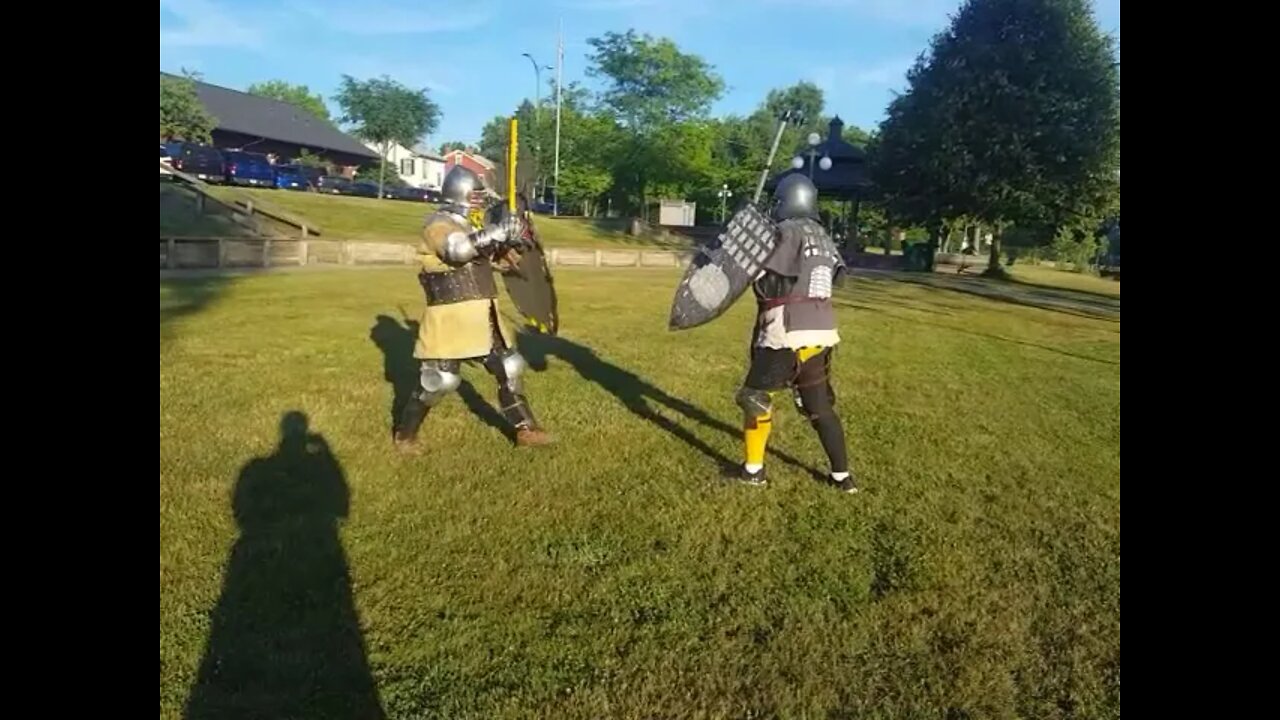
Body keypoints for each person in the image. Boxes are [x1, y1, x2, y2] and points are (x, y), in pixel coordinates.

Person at [392, 165, 553, 450]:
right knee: (440, 380)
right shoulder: (438, 223)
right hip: (451, 314)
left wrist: (512, 240)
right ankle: (406, 435)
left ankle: (526, 430)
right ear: (460, 194)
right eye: (475, 194)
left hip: (483, 309)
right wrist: (496, 231)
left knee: (509, 365)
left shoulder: (471, 227)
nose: (479, 199)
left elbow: (496, 262)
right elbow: (456, 251)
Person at [727, 174, 856, 492]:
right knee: (820, 407)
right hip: (822, 332)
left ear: (787, 200)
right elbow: (839, 277)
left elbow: (758, 273)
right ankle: (843, 477)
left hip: (786, 329)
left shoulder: (785, 232)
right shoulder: (822, 235)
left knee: (755, 398)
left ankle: (753, 471)